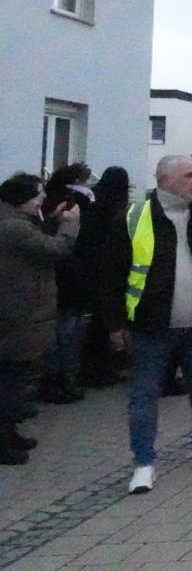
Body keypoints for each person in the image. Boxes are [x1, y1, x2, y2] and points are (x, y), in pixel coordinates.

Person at [102, 155, 192, 495]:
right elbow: (110, 275)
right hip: (151, 327)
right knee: (144, 396)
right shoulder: (134, 218)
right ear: (164, 179)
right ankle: (143, 464)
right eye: (189, 176)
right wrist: (115, 322)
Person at [0, 173, 80, 465]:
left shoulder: (14, 223)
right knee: (10, 382)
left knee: (14, 379)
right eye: (37, 196)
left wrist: (53, 221)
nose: (42, 200)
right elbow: (53, 249)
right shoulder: (13, 228)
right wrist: (70, 226)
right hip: (15, 316)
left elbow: (38, 239)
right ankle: (4, 440)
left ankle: (9, 434)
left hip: (16, 313)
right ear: (22, 199)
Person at [36, 162, 96, 404]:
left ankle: (56, 380)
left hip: (62, 278)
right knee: (64, 333)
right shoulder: (75, 203)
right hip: (69, 276)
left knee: (61, 331)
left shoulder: (52, 201)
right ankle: (58, 380)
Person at [79, 167, 131, 388]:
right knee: (104, 322)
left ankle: (93, 369)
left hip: (87, 266)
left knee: (97, 322)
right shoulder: (115, 208)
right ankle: (99, 369)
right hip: (107, 268)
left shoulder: (92, 201)